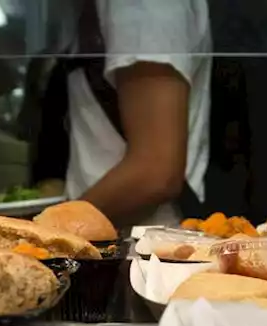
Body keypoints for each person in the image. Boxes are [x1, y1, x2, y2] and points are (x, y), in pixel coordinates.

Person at [61, 0, 211, 228]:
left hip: (141, 249)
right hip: (114, 244)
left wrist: (48, 234)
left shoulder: (142, 6)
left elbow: (154, 173)